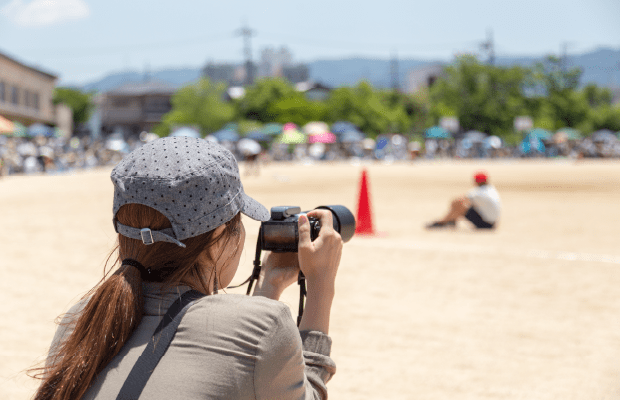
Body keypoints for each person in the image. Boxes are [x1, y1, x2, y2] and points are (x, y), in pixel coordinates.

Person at [31, 137, 342, 400]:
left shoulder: (81, 320)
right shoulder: (265, 325)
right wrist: (320, 285)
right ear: (220, 236)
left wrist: (269, 284)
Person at [426, 171, 501, 230]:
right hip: (493, 223)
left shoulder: (478, 192)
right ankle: (449, 221)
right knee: (463, 204)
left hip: (486, 225)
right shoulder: (491, 189)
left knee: (460, 204)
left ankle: (442, 222)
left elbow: (458, 201)